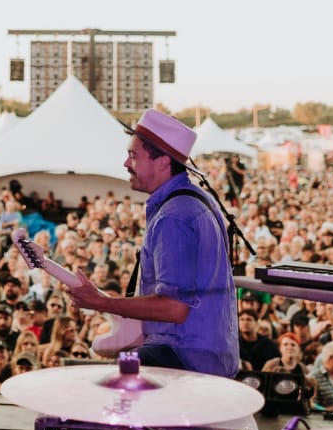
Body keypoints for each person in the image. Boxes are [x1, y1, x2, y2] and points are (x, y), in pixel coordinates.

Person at [66, 110, 239, 378]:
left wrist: (102, 302)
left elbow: (173, 307)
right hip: (205, 353)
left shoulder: (174, 217)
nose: (125, 163)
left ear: (162, 163)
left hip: (184, 356)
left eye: (133, 156)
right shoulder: (195, 200)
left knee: (111, 392)